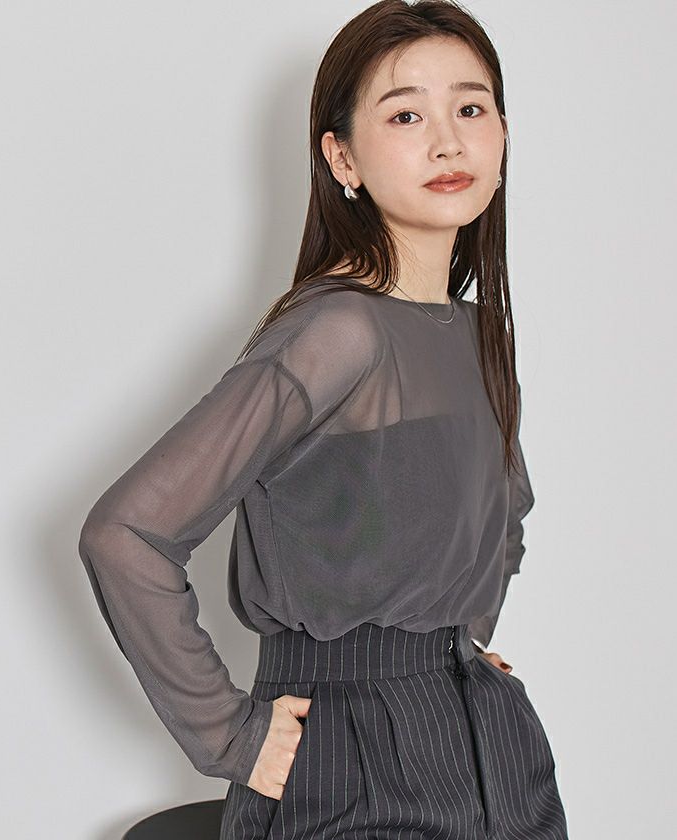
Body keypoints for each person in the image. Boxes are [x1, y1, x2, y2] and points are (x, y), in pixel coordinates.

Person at [78, 1, 570, 837]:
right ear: (342, 156)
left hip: (495, 749)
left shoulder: (480, 331)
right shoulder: (337, 332)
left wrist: (450, 646)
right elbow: (125, 533)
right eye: (406, 115)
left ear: (502, 134)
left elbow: (504, 516)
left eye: (471, 108)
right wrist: (230, 734)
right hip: (344, 760)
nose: (447, 142)